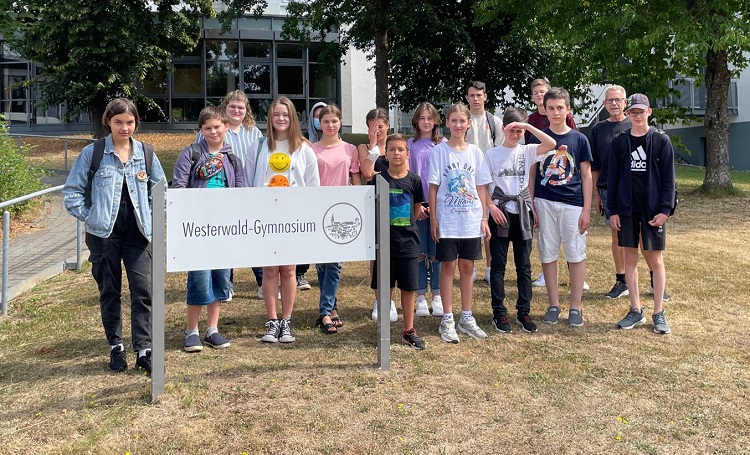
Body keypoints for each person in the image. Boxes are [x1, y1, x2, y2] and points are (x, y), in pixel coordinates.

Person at [63, 98, 166, 375]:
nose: (124, 127)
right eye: (118, 121)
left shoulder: (146, 153)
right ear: (108, 121)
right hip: (103, 235)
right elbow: (72, 192)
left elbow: (161, 191)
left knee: (143, 291)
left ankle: (143, 350)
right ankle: (116, 347)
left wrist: (152, 217)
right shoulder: (92, 153)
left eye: (130, 122)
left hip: (139, 234)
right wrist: (91, 215)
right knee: (110, 291)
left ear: (136, 124)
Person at [248, 96, 320, 343]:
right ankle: (272, 322)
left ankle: (286, 321)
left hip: (292, 217)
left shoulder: (304, 148)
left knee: (289, 269)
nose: (281, 119)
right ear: (270, 117)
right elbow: (249, 181)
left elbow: (313, 186)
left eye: (286, 114)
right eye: (277, 114)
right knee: (269, 270)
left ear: (293, 118)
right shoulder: (259, 146)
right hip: (265, 215)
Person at [173, 106, 244, 352]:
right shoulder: (190, 154)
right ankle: (191, 330)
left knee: (220, 277)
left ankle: (212, 329)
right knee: (199, 277)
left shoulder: (233, 158)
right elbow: (179, 189)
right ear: (200, 130)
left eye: (217, 127)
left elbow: (241, 191)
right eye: (207, 128)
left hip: (224, 228)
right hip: (198, 228)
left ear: (226, 127)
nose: (213, 131)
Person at [485, 107, 556, 334]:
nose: (516, 134)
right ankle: (499, 312)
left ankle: (523, 311)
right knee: (498, 265)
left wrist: (527, 127)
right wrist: (491, 207)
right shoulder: (492, 154)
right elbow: (483, 185)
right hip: (501, 211)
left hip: (522, 212)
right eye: (512, 129)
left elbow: (551, 144)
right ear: (504, 128)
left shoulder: (528, 151)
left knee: (524, 265)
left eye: (519, 130)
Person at [608, 93, 675, 334]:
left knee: (655, 259)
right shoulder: (620, 142)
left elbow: (669, 180)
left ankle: (658, 312)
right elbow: (612, 180)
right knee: (630, 260)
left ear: (649, 112)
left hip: (652, 210)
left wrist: (665, 210)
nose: (636, 116)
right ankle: (636, 310)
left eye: (641, 112)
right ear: (627, 114)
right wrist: (613, 211)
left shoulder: (660, 140)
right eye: (632, 112)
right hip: (627, 210)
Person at [428, 103, 492, 343]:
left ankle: (466, 316)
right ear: (447, 123)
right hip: (448, 220)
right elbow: (433, 188)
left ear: (468, 124)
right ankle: (447, 318)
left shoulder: (475, 152)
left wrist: (484, 217)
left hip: (471, 220)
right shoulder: (439, 152)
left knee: (468, 268)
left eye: (461, 121)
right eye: (453, 121)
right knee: (448, 267)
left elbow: (481, 187)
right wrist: (434, 218)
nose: (457, 125)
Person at [530, 87, 592, 327]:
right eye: (551, 108)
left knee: (575, 253)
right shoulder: (539, 138)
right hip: (544, 201)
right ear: (544, 110)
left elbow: (586, 175)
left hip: (572, 203)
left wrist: (586, 208)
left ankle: (575, 306)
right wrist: (532, 204)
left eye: (560, 108)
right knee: (548, 252)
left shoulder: (579, 139)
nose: (555, 113)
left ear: (568, 110)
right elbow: (533, 173)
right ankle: (554, 303)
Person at [197, 90, 264, 299]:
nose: (236, 111)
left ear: (246, 111)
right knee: (225, 236)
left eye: (241, 108)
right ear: (225, 107)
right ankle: (227, 284)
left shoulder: (254, 133)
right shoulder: (214, 128)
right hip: (219, 192)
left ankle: (263, 283)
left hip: (247, 191)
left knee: (251, 237)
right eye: (232, 107)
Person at [370, 133, 426, 349]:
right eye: (391, 149)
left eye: (400, 149)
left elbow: (416, 208)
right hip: (384, 243)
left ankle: (408, 330)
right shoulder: (378, 179)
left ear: (407, 153)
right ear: (386, 153)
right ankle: (383, 329)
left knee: (408, 287)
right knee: (385, 287)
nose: (396, 153)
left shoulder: (415, 180)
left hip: (408, 243)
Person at [312, 104, 362, 334]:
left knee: (335, 263)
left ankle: (325, 310)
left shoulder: (349, 149)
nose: (330, 125)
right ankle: (330, 308)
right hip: (318, 208)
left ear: (340, 122)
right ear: (319, 124)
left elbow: (356, 179)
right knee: (323, 263)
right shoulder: (311, 150)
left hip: (341, 210)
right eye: (326, 122)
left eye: (334, 121)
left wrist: (359, 203)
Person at [590, 85, 632, 299]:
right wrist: (597, 194)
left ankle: (654, 280)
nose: (614, 103)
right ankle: (621, 280)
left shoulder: (634, 124)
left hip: (635, 189)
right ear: (604, 104)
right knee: (616, 234)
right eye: (610, 100)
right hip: (608, 189)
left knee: (641, 234)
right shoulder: (598, 130)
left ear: (625, 102)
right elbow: (595, 165)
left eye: (618, 99)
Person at [358, 108, 398, 322]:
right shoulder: (364, 147)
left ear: (387, 126)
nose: (377, 130)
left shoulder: (395, 146)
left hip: (395, 204)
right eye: (372, 126)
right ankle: (378, 300)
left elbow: (401, 172)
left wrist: (378, 173)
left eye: (380, 126)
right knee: (376, 255)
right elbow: (366, 173)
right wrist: (373, 147)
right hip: (373, 204)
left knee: (392, 253)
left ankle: (390, 301)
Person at [408, 102, 446, 318]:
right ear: (416, 121)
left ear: (436, 121)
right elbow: (409, 175)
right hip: (418, 205)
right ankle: (421, 295)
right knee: (420, 252)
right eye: (421, 118)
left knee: (437, 253)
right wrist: (417, 204)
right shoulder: (410, 144)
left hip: (440, 206)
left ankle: (438, 295)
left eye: (429, 118)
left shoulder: (443, 144)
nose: (425, 122)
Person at [465, 80, 504, 284]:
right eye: (472, 95)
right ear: (467, 98)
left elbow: (498, 151)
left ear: (485, 97)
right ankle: (470, 267)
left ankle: (490, 267)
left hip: (488, 180)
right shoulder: (463, 120)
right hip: (466, 179)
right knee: (471, 222)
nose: (475, 99)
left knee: (487, 223)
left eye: (479, 95)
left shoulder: (494, 121)